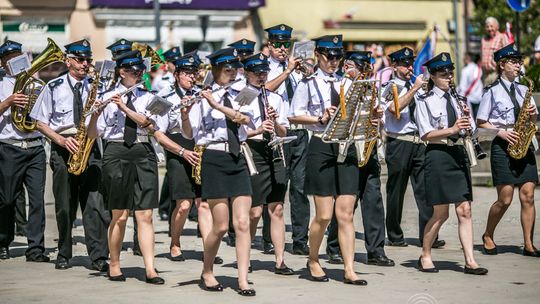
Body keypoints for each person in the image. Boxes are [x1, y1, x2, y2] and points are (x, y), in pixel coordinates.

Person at [290, 35, 367, 285]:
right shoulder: (308, 83)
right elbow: (294, 117)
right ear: (319, 55)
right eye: (329, 57)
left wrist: (370, 114)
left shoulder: (348, 83)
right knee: (324, 215)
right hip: (321, 145)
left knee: (345, 214)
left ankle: (349, 268)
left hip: (346, 146)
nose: (334, 62)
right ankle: (313, 259)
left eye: (338, 57)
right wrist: (319, 118)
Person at [31, 39, 110, 271]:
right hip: (63, 144)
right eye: (80, 59)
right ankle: (64, 253)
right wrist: (61, 140)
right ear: (68, 60)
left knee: (95, 204)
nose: (85, 64)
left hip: (90, 145)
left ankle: (98, 257)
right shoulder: (53, 86)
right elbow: (38, 122)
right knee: (65, 205)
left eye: (88, 60)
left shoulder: (97, 87)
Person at [87, 50, 165, 284]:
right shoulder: (106, 95)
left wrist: (124, 108)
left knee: (146, 215)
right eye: (134, 70)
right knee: (119, 215)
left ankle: (150, 268)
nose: (139, 73)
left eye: (141, 70)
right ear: (122, 72)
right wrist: (95, 113)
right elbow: (93, 134)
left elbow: (149, 125)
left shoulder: (149, 96)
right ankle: (114, 263)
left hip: (143, 151)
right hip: (116, 151)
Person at [415, 52, 488, 275]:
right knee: (441, 214)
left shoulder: (459, 99)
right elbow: (426, 134)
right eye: (443, 74)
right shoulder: (424, 100)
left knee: (464, 210)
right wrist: (453, 129)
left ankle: (470, 260)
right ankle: (425, 254)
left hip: (458, 153)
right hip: (438, 155)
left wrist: (467, 122)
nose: (448, 77)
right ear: (433, 76)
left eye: (450, 73)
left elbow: (472, 130)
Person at [190, 47, 255, 296]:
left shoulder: (242, 92)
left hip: (238, 155)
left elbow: (245, 120)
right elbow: (190, 133)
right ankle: (207, 270)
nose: (234, 73)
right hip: (214, 158)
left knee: (242, 222)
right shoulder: (200, 96)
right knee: (220, 225)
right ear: (216, 70)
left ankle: (242, 279)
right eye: (228, 69)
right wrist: (186, 112)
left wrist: (216, 104)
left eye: (235, 69)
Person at [325, 51, 394, 267]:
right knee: (346, 200)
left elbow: (377, 115)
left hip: (368, 144)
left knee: (373, 199)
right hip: (348, 147)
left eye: (367, 66)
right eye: (362, 66)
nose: (366, 71)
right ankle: (334, 246)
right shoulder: (339, 86)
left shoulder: (371, 87)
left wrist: (377, 118)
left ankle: (376, 250)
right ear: (348, 67)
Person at [153, 51, 222, 264]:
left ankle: (208, 248)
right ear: (177, 74)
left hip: (200, 146)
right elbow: (159, 132)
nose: (192, 76)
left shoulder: (203, 93)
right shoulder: (165, 96)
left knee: (204, 203)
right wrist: (182, 151)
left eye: (194, 72)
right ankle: (175, 242)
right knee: (183, 204)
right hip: (178, 147)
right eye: (187, 73)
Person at [477, 43, 539, 257]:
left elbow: (533, 120)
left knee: (528, 195)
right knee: (505, 199)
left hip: (524, 144)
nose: (518, 65)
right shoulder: (492, 92)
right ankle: (488, 234)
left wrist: (532, 114)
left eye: (519, 61)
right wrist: (500, 133)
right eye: (514, 61)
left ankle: (529, 244)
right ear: (502, 65)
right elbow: (481, 122)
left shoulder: (524, 89)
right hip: (503, 146)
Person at [382, 47, 444, 249]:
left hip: (419, 142)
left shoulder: (416, 84)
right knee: (396, 191)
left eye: (411, 64)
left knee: (425, 191)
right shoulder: (390, 86)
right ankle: (394, 234)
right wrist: (415, 89)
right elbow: (394, 110)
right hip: (399, 142)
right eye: (405, 64)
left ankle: (428, 235)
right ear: (395, 66)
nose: (410, 68)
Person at [242, 53, 294, 275]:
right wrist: (258, 129)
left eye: (264, 72)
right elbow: (239, 133)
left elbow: (284, 129)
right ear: (247, 74)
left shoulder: (276, 99)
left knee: (277, 208)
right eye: (257, 73)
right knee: (254, 211)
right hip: (253, 151)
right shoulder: (240, 98)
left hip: (275, 150)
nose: (261, 77)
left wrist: (274, 123)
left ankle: (280, 260)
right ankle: (246, 255)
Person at [0, 40, 48, 262]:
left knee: (37, 200)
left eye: (18, 57)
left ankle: (36, 248)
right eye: (10, 59)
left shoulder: (34, 82)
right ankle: (3, 240)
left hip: (35, 146)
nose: (15, 62)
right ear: (3, 62)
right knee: (7, 200)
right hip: (10, 147)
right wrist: (8, 102)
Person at [264, 24, 309, 256]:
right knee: (275, 187)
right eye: (278, 44)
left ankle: (301, 239)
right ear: (269, 45)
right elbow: (266, 89)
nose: (282, 49)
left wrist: (306, 73)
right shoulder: (264, 68)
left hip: (299, 131)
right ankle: (269, 237)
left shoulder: (297, 68)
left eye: (286, 44)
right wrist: (288, 72)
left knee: (300, 187)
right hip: (277, 132)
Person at [480, 17, 509, 86]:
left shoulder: (502, 37)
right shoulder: (483, 39)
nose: (489, 29)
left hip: (496, 73)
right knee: (487, 96)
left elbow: (508, 54)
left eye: (491, 26)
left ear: (497, 27)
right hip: (485, 75)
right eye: (487, 27)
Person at [458, 52, 483, 117]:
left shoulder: (465, 70)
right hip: (479, 97)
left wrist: (460, 100)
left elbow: (462, 87)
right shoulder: (478, 68)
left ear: (467, 58)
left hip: (469, 99)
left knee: (471, 121)